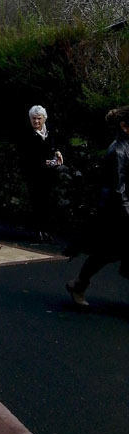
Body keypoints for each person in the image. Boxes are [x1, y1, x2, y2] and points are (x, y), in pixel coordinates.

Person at [65, 105, 129, 306]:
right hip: (116, 212)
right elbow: (118, 189)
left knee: (106, 254)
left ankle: (78, 284)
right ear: (125, 126)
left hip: (121, 209)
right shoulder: (117, 151)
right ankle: (79, 284)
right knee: (105, 253)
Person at [17, 105, 63, 242]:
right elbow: (25, 156)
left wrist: (57, 152)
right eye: (33, 119)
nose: (36, 122)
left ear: (44, 118)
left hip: (49, 173)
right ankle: (39, 231)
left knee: (48, 202)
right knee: (37, 202)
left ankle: (47, 230)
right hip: (33, 173)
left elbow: (54, 144)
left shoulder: (50, 129)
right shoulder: (25, 133)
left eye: (39, 119)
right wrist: (44, 162)